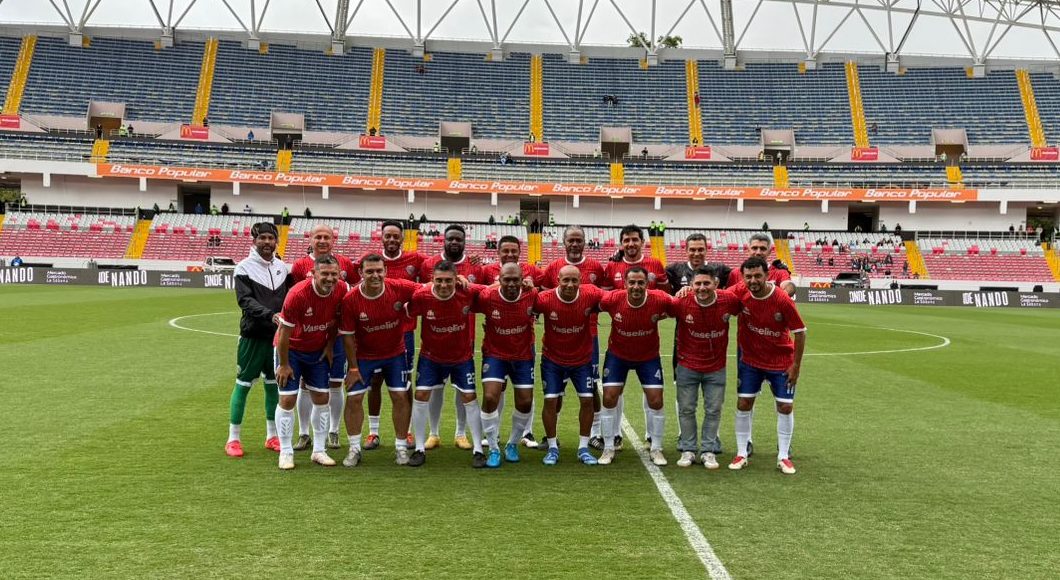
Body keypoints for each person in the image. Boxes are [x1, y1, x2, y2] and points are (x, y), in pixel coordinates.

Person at [338, 253, 423, 467]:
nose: (375, 275)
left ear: (385, 271)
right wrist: (354, 367)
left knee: (400, 397)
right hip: (364, 356)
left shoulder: (400, 287)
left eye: (379, 270)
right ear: (360, 273)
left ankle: (401, 447)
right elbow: (347, 336)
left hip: (395, 353)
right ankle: (354, 448)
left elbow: (428, 290)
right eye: (369, 271)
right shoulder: (351, 300)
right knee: (355, 398)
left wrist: (459, 281)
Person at [728, 257, 807, 475]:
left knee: (785, 406)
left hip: (780, 361)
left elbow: (800, 333)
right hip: (751, 361)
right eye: (748, 276)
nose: (753, 280)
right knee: (744, 403)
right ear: (743, 277)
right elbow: (720, 298)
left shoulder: (781, 299)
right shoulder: (739, 292)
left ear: (767, 276)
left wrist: (796, 366)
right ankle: (742, 453)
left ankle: (783, 456)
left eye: (757, 276)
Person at [406, 261, 486, 467]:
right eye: (439, 280)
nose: (443, 285)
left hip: (461, 357)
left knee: (469, 396)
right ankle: (419, 448)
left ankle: (478, 449)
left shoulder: (466, 291)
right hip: (431, 357)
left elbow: (495, 289)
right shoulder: (422, 296)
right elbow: (407, 308)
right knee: (421, 394)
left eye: (448, 280)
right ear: (432, 279)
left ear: (456, 278)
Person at [273, 255, 348, 470]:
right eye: (324, 274)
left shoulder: (342, 289)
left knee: (322, 397)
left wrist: (330, 345)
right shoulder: (297, 294)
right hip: (291, 350)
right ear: (313, 273)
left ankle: (319, 451)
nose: (330, 278)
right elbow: (284, 334)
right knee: (287, 400)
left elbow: (336, 321)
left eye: (334, 274)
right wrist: (285, 364)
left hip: (317, 350)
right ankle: (286, 452)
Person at [226, 222, 293, 458]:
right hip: (253, 336)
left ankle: (272, 436)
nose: (267, 242)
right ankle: (233, 438)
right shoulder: (243, 268)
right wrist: (270, 315)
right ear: (254, 241)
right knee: (243, 385)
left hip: (277, 338)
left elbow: (291, 298)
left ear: (276, 241)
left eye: (270, 238)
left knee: (274, 386)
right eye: (262, 238)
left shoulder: (283, 268)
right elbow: (245, 301)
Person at [289, 225, 359, 450]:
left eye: (326, 237)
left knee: (336, 383)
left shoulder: (345, 263)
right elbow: (292, 300)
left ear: (333, 240)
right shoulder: (300, 265)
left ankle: (334, 431)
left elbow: (353, 292)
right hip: (309, 338)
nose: (322, 241)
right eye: (317, 237)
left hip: (335, 337)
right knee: (305, 385)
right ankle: (303, 433)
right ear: (310, 239)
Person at [418, 225, 484, 450]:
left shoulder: (475, 265)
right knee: (435, 388)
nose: (454, 242)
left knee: (462, 390)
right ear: (443, 241)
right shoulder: (428, 264)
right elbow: (419, 291)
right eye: (450, 239)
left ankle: (460, 433)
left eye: (459, 239)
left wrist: (470, 280)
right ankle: (433, 433)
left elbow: (484, 291)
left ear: (465, 241)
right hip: (434, 339)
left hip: (465, 336)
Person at [540, 225, 607, 445]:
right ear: (564, 242)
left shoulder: (596, 267)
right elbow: (542, 296)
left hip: (589, 335)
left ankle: (596, 433)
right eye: (571, 240)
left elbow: (605, 298)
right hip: (558, 338)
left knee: (591, 387)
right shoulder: (553, 268)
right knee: (556, 391)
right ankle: (552, 436)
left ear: (585, 242)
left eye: (579, 240)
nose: (575, 244)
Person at [597, 268, 672, 466]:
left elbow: (677, 307)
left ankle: (656, 448)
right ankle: (608, 447)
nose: (636, 287)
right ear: (625, 284)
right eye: (632, 282)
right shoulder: (612, 299)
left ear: (647, 284)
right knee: (609, 397)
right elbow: (592, 302)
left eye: (640, 283)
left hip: (648, 357)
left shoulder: (660, 299)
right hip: (618, 356)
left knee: (656, 400)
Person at [669, 264, 741, 468]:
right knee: (686, 409)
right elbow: (661, 307)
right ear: (691, 285)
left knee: (713, 410)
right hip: (687, 365)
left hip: (716, 367)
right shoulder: (681, 301)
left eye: (706, 283)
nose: (702, 287)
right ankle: (688, 449)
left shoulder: (729, 300)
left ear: (716, 284)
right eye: (698, 283)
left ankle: (708, 450)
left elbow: (746, 307)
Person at [363, 220, 425, 451]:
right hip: (373, 332)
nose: (391, 240)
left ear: (402, 238)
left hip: (403, 332)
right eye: (387, 236)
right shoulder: (368, 261)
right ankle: (373, 432)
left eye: (395, 236)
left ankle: (406, 431)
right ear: (381, 238)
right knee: (374, 382)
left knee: (404, 383)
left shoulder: (415, 260)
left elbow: (435, 273)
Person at [534, 265, 605, 466]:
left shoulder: (590, 294)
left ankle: (583, 447)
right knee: (550, 401)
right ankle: (552, 447)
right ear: (558, 279)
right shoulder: (545, 298)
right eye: (566, 280)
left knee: (587, 400)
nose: (570, 284)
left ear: (581, 280)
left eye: (575, 280)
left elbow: (614, 297)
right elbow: (523, 302)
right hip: (552, 361)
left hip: (582, 360)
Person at [473, 263, 538, 467]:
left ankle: (512, 443)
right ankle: (493, 447)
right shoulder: (487, 296)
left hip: (522, 355)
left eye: (515, 280)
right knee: (491, 396)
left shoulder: (532, 295)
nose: (511, 284)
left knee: (526, 402)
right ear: (498, 279)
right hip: (495, 355)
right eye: (506, 279)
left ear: (522, 280)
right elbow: (467, 291)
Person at [726, 232, 796, 297]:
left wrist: (780, 296)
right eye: (754, 248)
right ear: (748, 250)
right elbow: (728, 296)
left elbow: (788, 286)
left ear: (769, 251)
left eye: (763, 249)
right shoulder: (735, 273)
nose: (758, 252)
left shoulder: (780, 272)